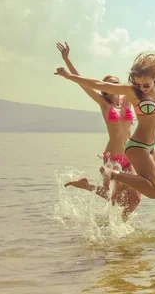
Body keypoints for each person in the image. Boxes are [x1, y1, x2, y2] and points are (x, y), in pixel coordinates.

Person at [54, 15, 155, 200]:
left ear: (154, 77)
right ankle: (114, 174)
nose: (142, 88)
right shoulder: (131, 92)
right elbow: (95, 84)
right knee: (154, 192)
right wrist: (69, 75)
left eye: (146, 85)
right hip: (137, 147)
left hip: (150, 146)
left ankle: (107, 183)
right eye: (139, 84)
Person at [56, 42, 140, 220]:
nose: (111, 87)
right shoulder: (104, 104)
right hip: (113, 157)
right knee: (115, 198)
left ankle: (121, 226)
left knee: (135, 198)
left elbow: (140, 82)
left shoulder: (127, 101)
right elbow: (84, 84)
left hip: (130, 156)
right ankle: (120, 229)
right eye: (107, 85)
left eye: (115, 83)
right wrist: (67, 62)